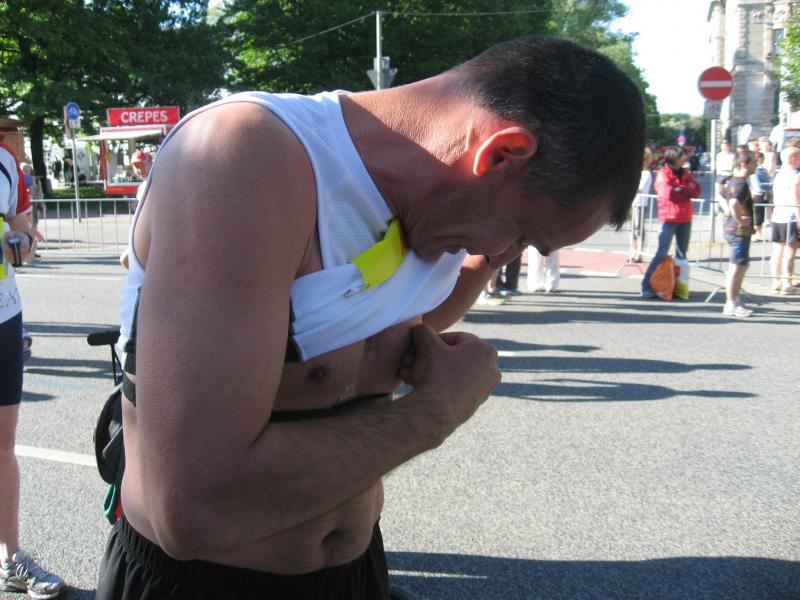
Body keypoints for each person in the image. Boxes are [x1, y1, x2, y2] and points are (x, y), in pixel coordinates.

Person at [95, 35, 646, 600]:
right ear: (501, 153)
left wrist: (474, 274)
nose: (501, 256)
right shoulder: (245, 155)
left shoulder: (438, 210)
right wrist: (437, 411)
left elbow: (375, 328)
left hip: (357, 572)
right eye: (522, 235)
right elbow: (194, 509)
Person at [0, 142, 66, 599]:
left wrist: (21, 241)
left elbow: (22, 231)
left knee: (3, 447)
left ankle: (11, 559)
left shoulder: (5, 161)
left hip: (4, 315)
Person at [641, 146, 701, 299]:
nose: (685, 158)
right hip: (669, 217)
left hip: (685, 217)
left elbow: (696, 191)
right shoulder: (663, 173)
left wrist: (679, 189)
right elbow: (668, 194)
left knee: (682, 255)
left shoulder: (685, 173)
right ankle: (646, 285)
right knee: (661, 254)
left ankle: (678, 287)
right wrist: (685, 190)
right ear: (674, 158)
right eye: (682, 156)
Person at [721, 150, 756, 317]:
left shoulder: (734, 181)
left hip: (735, 229)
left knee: (742, 265)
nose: (756, 165)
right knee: (736, 267)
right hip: (738, 231)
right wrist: (740, 220)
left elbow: (722, 195)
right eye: (753, 162)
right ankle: (731, 303)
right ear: (744, 164)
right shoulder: (740, 183)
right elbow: (734, 202)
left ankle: (734, 299)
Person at [769, 146, 800, 294]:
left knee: (777, 250)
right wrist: (799, 217)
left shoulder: (779, 175)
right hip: (791, 217)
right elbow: (796, 198)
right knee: (789, 252)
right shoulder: (796, 176)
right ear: (793, 159)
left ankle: (776, 281)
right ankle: (787, 283)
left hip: (778, 215)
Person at [630, 147, 653, 262]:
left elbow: (639, 189)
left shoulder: (646, 174)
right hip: (634, 203)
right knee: (633, 229)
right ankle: (634, 252)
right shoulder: (637, 173)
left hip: (641, 204)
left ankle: (639, 253)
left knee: (638, 229)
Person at [748, 151, 772, 242]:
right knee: (757, 215)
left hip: (763, 194)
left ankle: (759, 233)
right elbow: (759, 185)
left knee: (760, 216)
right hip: (758, 194)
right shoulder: (757, 170)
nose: (760, 160)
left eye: (761, 158)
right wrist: (772, 184)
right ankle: (755, 234)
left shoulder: (762, 169)